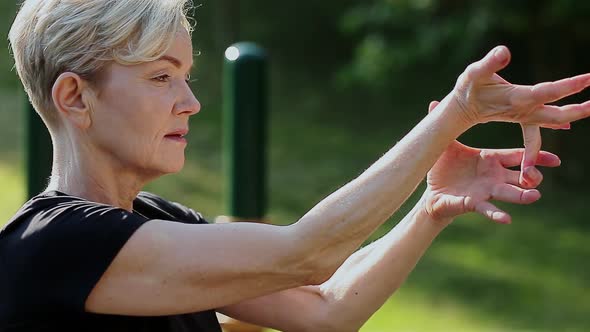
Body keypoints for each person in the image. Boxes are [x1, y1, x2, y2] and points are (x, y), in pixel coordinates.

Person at [2, 1, 590, 331]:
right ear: (75, 97)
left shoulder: (158, 221)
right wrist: (455, 114)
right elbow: (304, 252)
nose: (191, 102)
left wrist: (429, 209)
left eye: (186, 76)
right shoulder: (55, 243)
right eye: (160, 77)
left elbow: (326, 309)